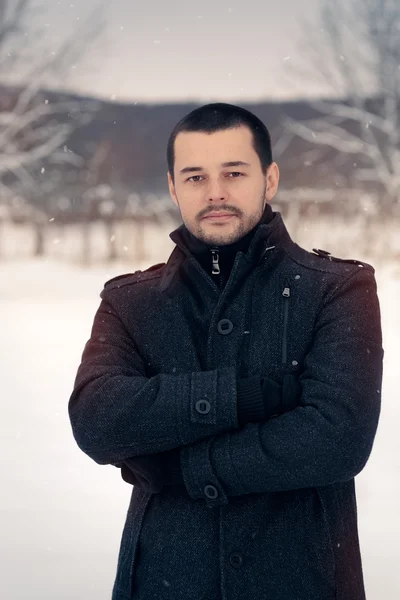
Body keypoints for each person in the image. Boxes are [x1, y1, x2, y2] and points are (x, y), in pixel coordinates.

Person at [68, 103, 384, 600]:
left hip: (304, 582)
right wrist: (240, 398)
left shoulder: (338, 289)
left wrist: (182, 467)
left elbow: (336, 440)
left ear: (270, 178)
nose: (215, 191)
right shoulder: (130, 301)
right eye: (195, 177)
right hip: (163, 583)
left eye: (234, 172)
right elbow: (96, 419)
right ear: (173, 188)